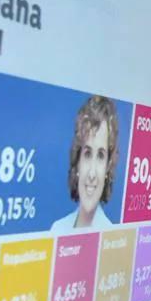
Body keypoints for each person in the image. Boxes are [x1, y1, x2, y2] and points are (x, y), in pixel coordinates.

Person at [51, 95, 118, 231]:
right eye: (87, 154)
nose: (92, 173)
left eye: (100, 156)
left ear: (107, 168)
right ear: (78, 162)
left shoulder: (111, 237)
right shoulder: (57, 229)